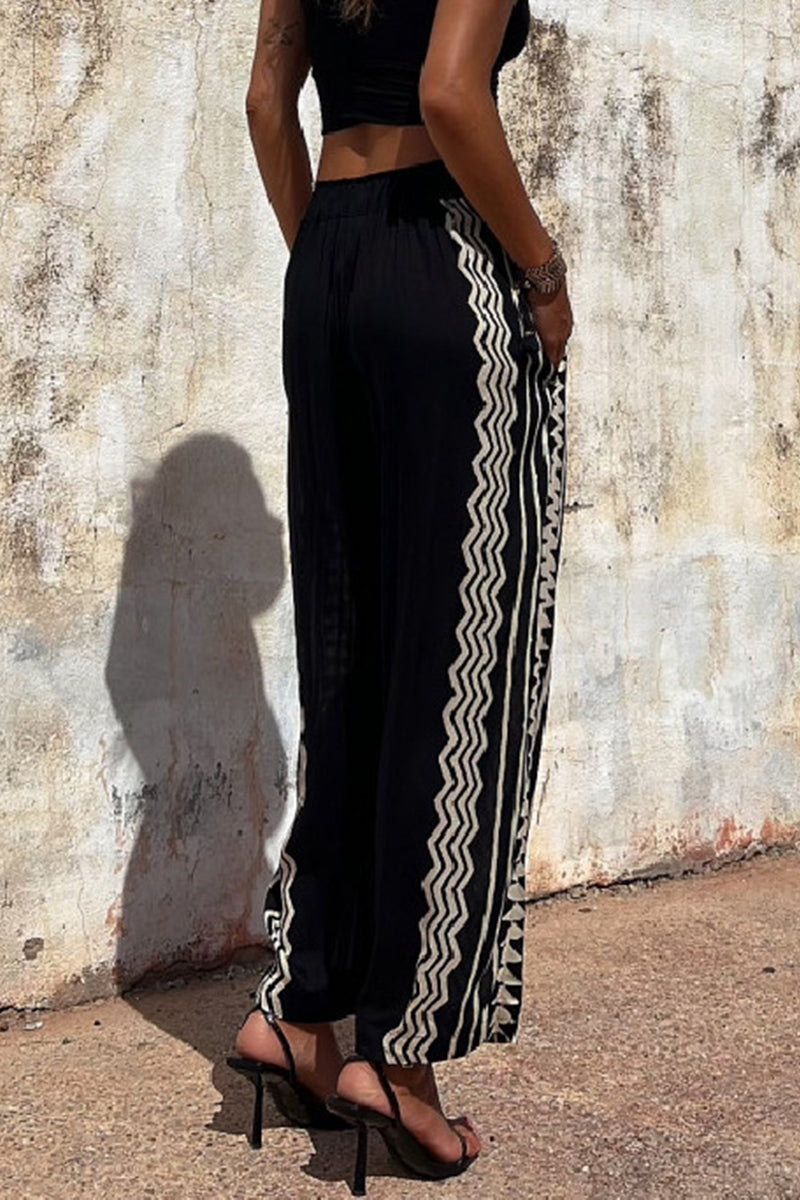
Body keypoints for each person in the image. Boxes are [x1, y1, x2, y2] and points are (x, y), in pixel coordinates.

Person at [227, 0, 573, 1192]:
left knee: (349, 656)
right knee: (455, 659)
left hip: (325, 259)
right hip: (441, 260)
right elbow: (447, 93)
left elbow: (268, 102)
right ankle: (402, 1058)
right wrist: (539, 268)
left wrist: (331, 261)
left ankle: (300, 1015)